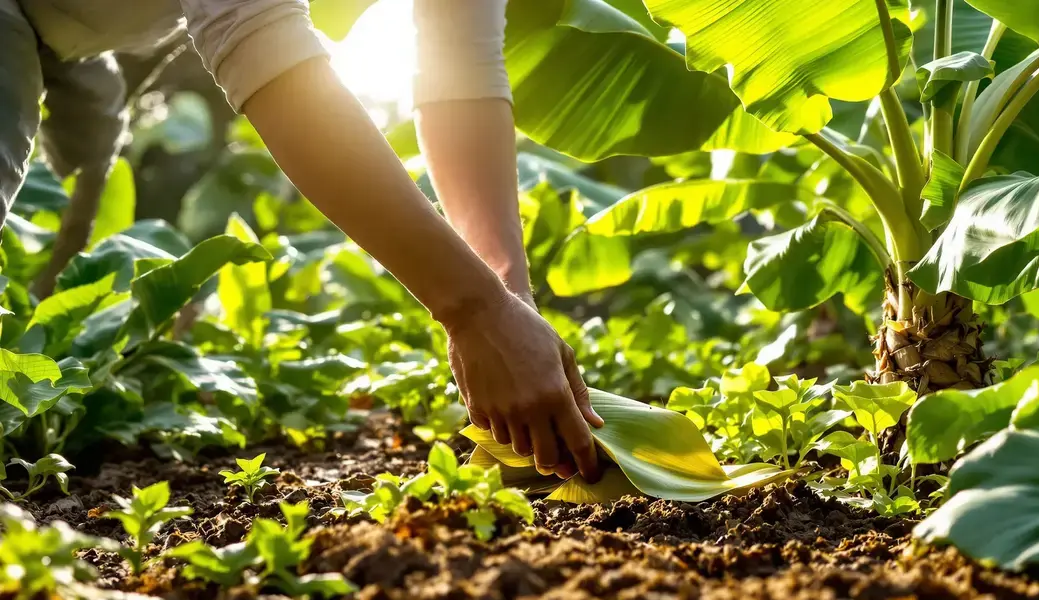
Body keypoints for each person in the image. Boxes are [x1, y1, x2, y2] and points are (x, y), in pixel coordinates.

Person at [0, 0, 603, 482]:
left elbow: (460, 67)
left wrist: (508, 299)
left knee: (73, 213)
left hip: (89, 38)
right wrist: (473, 311)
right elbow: (259, 37)